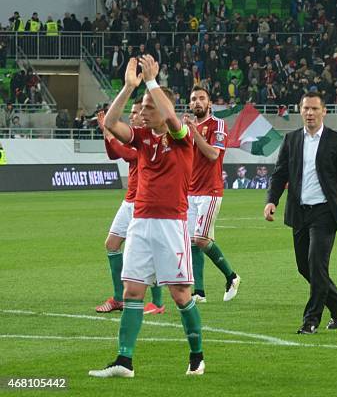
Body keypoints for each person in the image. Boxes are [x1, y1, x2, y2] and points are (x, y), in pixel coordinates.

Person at [90, 56, 204, 377]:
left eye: (148, 107)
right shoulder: (142, 139)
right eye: (142, 107)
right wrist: (129, 87)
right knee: (132, 292)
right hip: (140, 222)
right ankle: (124, 361)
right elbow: (112, 123)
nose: (142, 112)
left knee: (180, 295)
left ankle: (196, 355)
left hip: (172, 224)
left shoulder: (182, 138)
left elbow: (169, 115)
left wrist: (153, 84)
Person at [264, 91, 337, 334]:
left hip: (325, 213)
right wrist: (271, 201)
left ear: (324, 111)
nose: (309, 113)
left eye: (314, 109)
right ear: (301, 111)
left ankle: (311, 320)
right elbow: (280, 174)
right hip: (299, 212)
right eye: (306, 109)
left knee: (317, 265)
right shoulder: (291, 140)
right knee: (304, 267)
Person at [94, 106, 165, 316]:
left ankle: (158, 301)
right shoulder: (134, 138)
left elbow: (126, 155)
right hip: (130, 201)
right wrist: (107, 135)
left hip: (144, 202)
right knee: (112, 244)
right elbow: (113, 154)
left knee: (150, 251)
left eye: (135, 112)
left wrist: (109, 132)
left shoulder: (148, 140)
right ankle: (119, 298)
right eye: (132, 112)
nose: (132, 115)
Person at [183, 86, 241, 304]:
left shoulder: (218, 125)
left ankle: (232, 276)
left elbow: (213, 154)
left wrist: (193, 131)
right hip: (189, 191)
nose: (197, 102)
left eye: (201, 98)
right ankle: (199, 292)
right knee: (191, 241)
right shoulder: (186, 129)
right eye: (193, 99)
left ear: (209, 103)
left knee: (200, 238)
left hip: (210, 190)